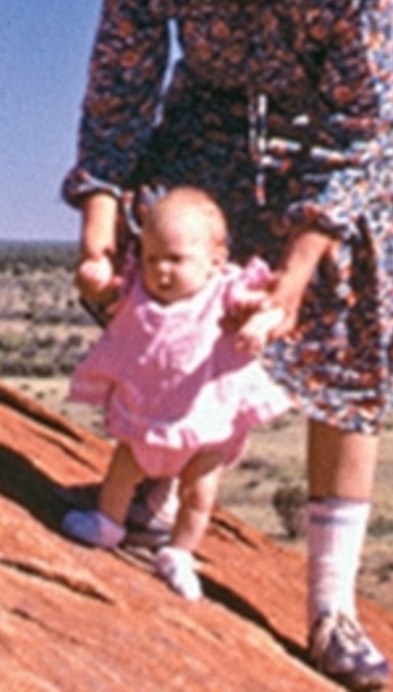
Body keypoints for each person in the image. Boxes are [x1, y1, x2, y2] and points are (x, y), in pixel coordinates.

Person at [62, 0, 393, 690]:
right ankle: (153, 485)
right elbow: (118, 97)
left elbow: (358, 136)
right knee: (174, 240)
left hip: (369, 125)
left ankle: (331, 607)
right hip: (223, 105)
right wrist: (101, 237)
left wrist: (297, 275)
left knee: (352, 306)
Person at [62, 186, 291, 601]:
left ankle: (180, 553)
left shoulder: (226, 292)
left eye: (176, 260)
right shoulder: (139, 291)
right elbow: (109, 290)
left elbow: (265, 304)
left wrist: (261, 321)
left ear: (215, 261)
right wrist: (96, 274)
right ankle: (107, 523)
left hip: (205, 420)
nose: (161, 271)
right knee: (123, 470)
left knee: (199, 494)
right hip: (147, 415)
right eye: (152, 258)